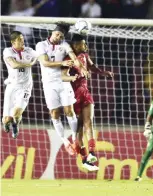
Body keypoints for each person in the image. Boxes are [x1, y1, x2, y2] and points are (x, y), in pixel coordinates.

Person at [62, 34, 113, 170]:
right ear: (76, 45)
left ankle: (91, 152)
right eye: (83, 44)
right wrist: (72, 77)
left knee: (88, 122)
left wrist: (103, 72)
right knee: (78, 129)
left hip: (85, 93)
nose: (85, 46)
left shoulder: (84, 55)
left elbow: (92, 67)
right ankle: (84, 158)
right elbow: (62, 76)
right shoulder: (68, 59)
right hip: (73, 96)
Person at [35, 23, 87, 155]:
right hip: (48, 84)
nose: (58, 37)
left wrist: (81, 67)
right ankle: (65, 141)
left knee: (69, 111)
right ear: (52, 32)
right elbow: (45, 63)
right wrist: (62, 63)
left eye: (61, 36)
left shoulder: (64, 45)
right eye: (57, 34)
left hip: (63, 82)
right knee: (55, 114)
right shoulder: (41, 45)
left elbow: (74, 57)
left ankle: (75, 139)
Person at [2, 31, 37, 138]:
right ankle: (8, 122)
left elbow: (39, 56)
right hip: (12, 86)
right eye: (19, 39)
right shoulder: (7, 51)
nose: (23, 41)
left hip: (25, 87)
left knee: (17, 113)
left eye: (22, 39)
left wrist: (35, 60)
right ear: (13, 42)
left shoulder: (29, 51)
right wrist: (29, 64)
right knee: (6, 119)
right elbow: (14, 65)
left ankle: (16, 124)